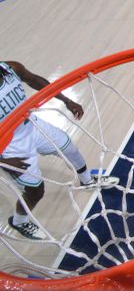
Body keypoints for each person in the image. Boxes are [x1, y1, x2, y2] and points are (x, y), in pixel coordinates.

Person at [0, 61, 119, 240]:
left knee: (70, 149)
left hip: (32, 126)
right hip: (10, 148)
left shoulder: (10, 68)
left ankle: (87, 181)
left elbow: (33, 80)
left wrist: (66, 101)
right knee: (36, 191)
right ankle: (18, 221)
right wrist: (4, 162)